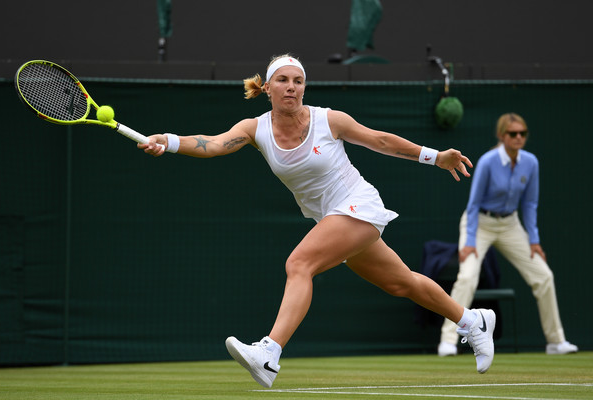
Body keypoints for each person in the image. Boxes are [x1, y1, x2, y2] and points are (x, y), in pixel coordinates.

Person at [139, 54, 496, 387]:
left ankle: (269, 353)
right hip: (332, 217)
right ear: (267, 88)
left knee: (299, 263)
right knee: (402, 283)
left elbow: (381, 141)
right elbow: (213, 144)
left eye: (297, 80)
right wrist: (167, 141)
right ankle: (473, 320)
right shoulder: (254, 129)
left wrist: (436, 157)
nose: (291, 86)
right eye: (282, 80)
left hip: (358, 205)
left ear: (304, 87)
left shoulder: (329, 120)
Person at [438, 113, 578, 357]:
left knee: (544, 276)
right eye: (513, 134)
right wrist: (470, 241)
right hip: (479, 223)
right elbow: (473, 204)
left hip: (511, 225)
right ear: (502, 136)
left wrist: (534, 240)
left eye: (522, 133)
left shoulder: (531, 163)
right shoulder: (488, 161)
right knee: (468, 276)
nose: (518, 138)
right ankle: (448, 340)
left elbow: (530, 204)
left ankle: (556, 341)